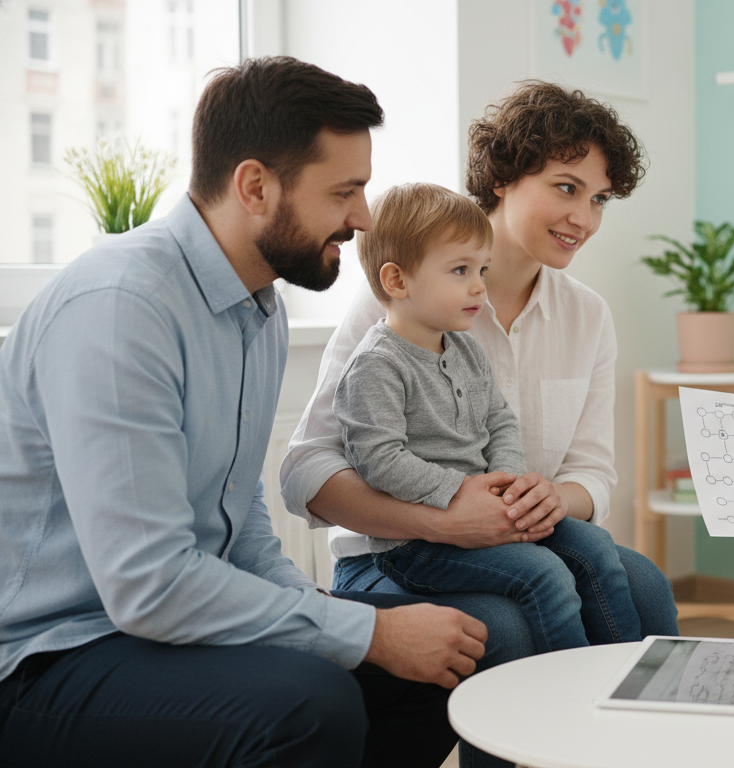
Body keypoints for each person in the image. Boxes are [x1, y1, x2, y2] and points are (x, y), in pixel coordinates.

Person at [0, 57, 501, 767]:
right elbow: (149, 586)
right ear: (256, 186)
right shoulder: (120, 310)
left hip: (159, 628)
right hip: (48, 655)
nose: (363, 217)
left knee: (442, 659)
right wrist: (363, 633)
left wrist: (333, 617)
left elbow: (239, 520)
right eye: (345, 192)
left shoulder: (256, 308)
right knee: (312, 701)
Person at [281, 80, 678, 765]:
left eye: (599, 199)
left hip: (519, 540)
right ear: (501, 178)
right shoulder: (398, 303)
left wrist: (556, 494)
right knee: (500, 625)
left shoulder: (587, 315)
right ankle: (580, 741)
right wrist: (444, 516)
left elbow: (592, 471)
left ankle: (647, 743)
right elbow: (305, 473)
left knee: (643, 580)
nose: (584, 216)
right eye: (565, 187)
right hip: (393, 559)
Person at [334, 182, 641, 652]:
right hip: (414, 545)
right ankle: (575, 694)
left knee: (596, 547)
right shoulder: (376, 364)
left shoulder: (464, 348)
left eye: (481, 269)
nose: (479, 285)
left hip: (491, 512)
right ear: (396, 281)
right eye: (461, 271)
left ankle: (628, 679)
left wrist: (508, 482)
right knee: (546, 574)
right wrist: (459, 495)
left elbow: (500, 420)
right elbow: (378, 457)